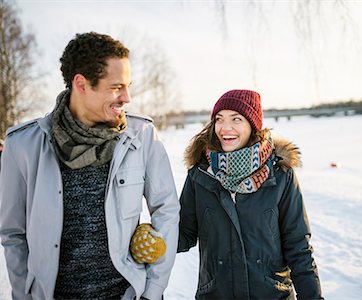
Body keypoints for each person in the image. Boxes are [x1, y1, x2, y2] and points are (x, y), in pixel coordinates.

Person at [0, 32, 180, 300]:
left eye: (128, 85)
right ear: (81, 84)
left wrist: (152, 292)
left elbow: (166, 210)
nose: (127, 97)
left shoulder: (141, 136)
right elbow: (14, 234)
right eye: (117, 87)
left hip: (128, 294)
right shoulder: (23, 146)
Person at [177, 89, 322, 299]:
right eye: (219, 119)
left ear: (253, 125)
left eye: (236, 119)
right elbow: (184, 234)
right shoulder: (200, 176)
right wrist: (155, 240)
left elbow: (298, 248)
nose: (225, 128)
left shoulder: (280, 176)